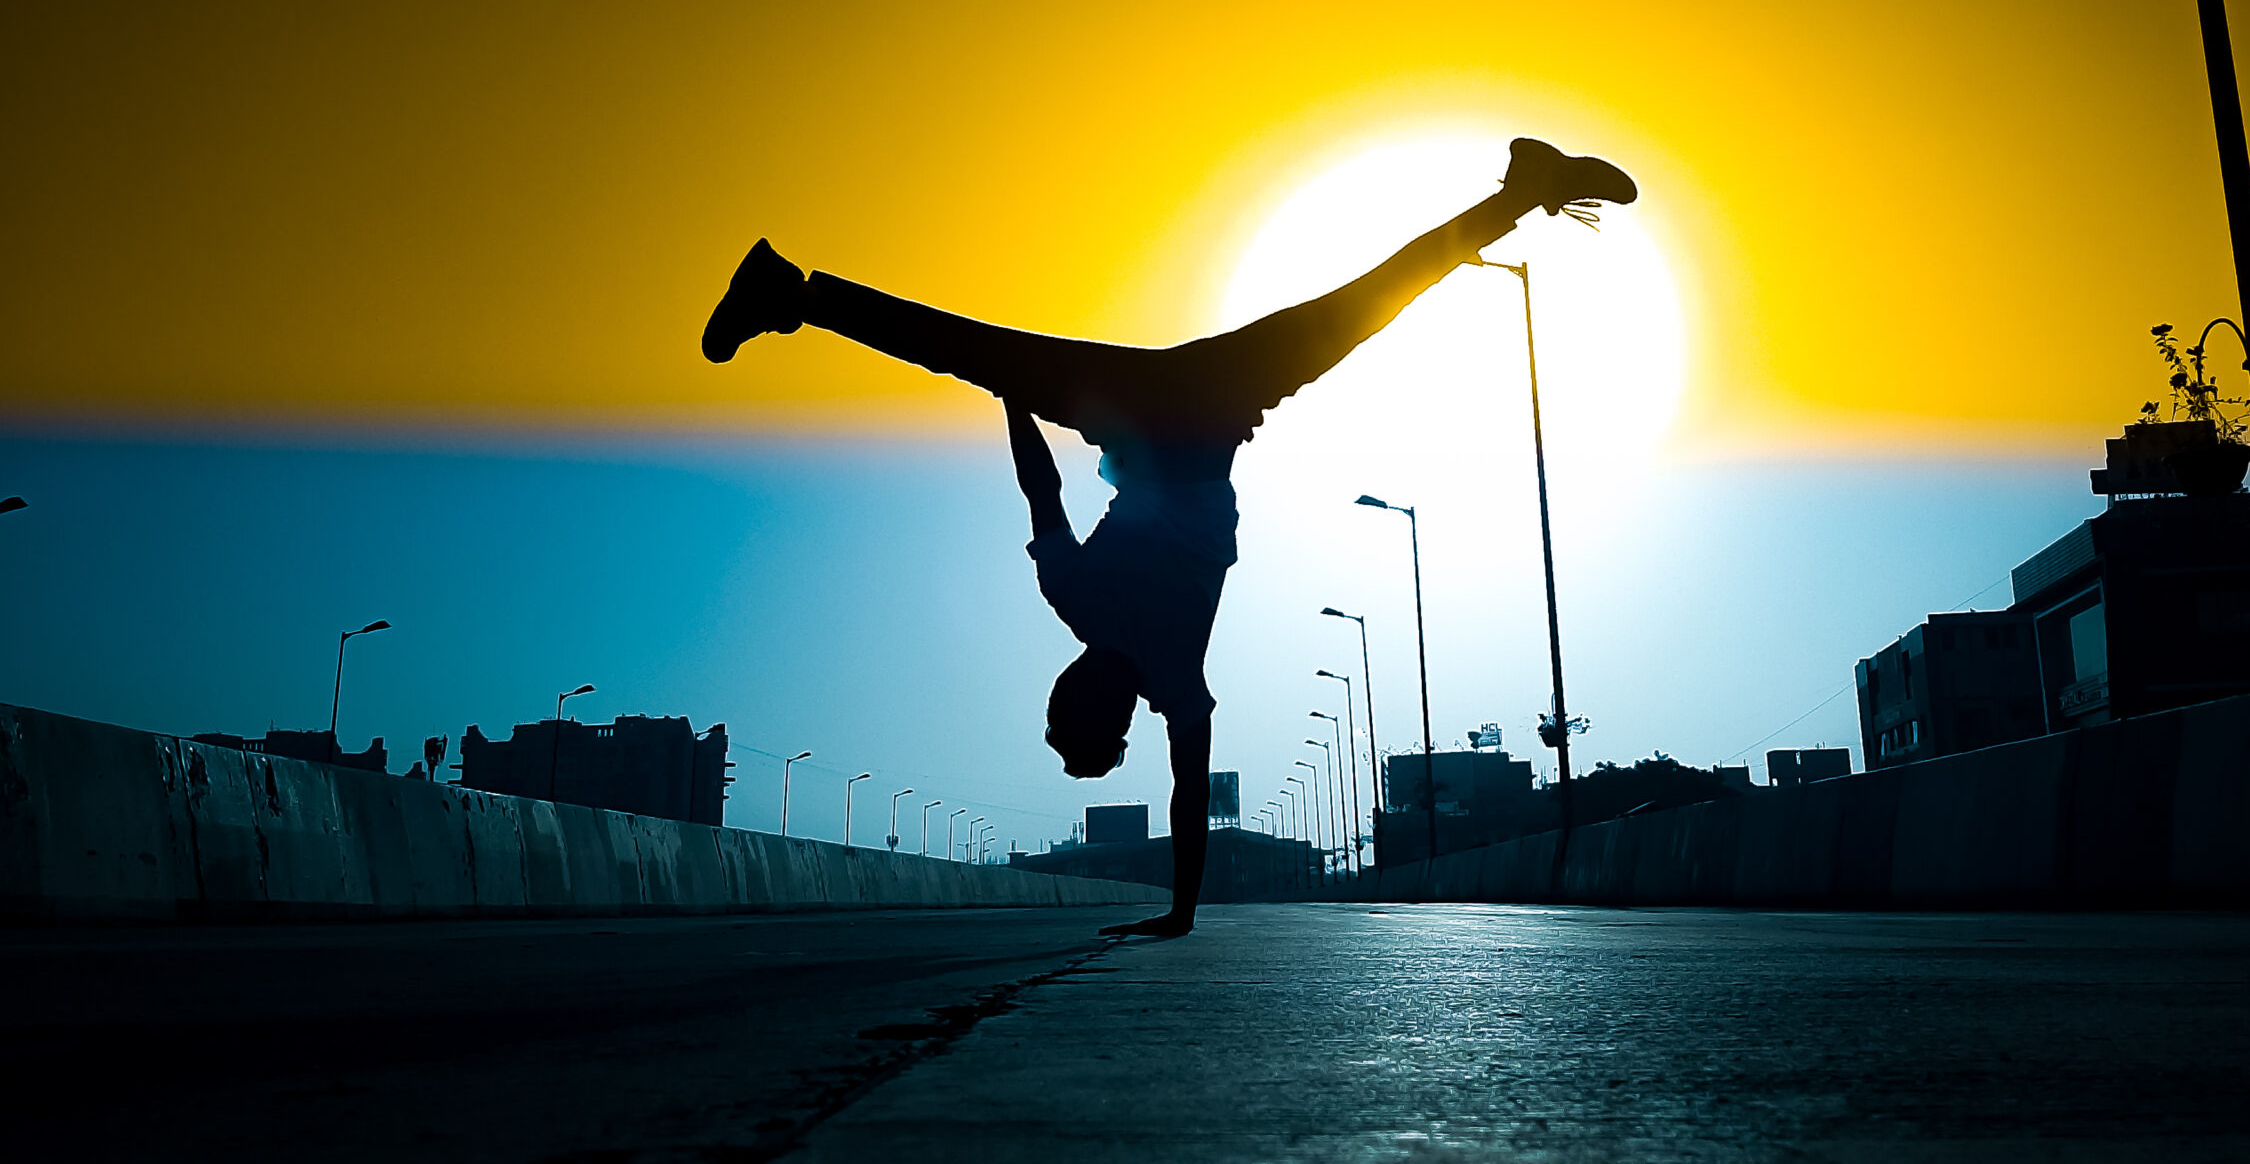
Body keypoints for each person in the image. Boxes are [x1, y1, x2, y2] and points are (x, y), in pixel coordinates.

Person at [701, 137, 1635, 934]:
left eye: (1070, 699)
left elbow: (1040, 487)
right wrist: (1182, 911)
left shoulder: (1076, 604)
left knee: (982, 345)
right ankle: (1522, 189)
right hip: (1205, 412)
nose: (1085, 688)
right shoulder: (1175, 685)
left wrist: (1014, 394)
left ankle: (791, 291)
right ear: (1115, 713)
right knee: (1366, 303)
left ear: (1069, 684)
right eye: (1093, 713)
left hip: (1143, 419)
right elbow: (1189, 797)